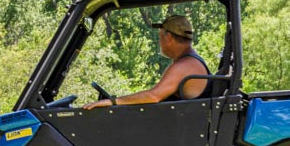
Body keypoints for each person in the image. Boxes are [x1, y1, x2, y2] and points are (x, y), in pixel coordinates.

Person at [82, 14, 210, 110]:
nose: (159, 42)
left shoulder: (184, 66)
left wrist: (113, 102)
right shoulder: (189, 62)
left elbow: (153, 96)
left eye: (160, 37)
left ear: (169, 37)